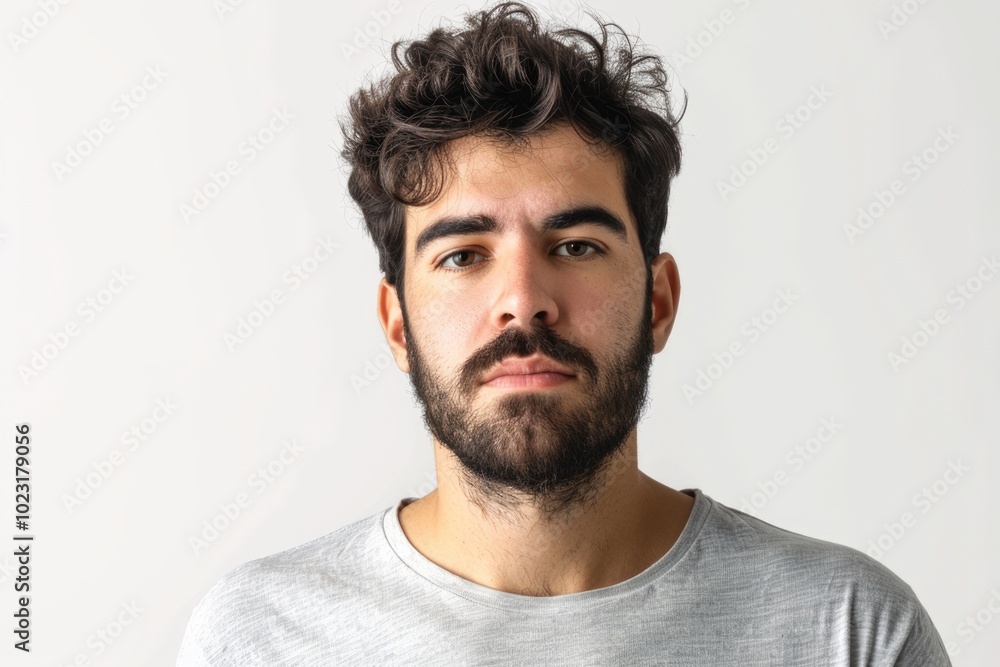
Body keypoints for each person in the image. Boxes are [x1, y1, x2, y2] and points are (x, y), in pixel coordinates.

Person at [176, 2, 951, 664]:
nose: (523, 301)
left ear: (658, 301)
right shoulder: (259, 638)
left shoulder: (848, 630)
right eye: (464, 255)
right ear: (397, 325)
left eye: (575, 245)